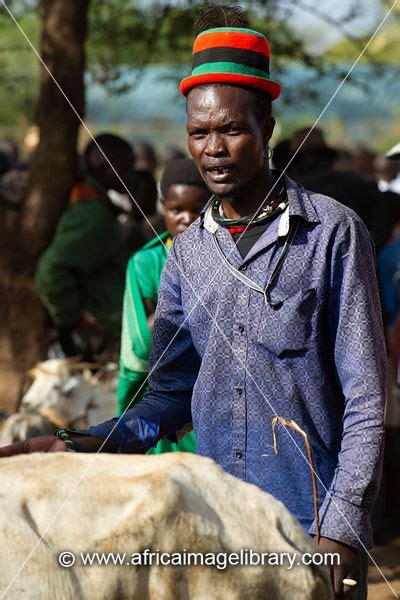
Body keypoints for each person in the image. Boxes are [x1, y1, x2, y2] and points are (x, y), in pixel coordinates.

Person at [1, 5, 386, 598]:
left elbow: (366, 398)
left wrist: (341, 531)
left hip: (310, 531)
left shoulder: (332, 234)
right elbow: (168, 393)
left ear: (267, 127)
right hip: (216, 532)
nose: (213, 149)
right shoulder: (186, 255)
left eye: (231, 129)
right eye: (198, 133)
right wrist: (86, 441)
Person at [118, 158, 209, 455]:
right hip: (161, 388)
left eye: (198, 210)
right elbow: (143, 341)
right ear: (162, 207)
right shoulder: (146, 263)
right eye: (177, 210)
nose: (187, 219)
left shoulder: (228, 259)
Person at [35, 133, 132, 359]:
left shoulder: (97, 206)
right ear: (102, 167)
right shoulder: (93, 214)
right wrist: (77, 320)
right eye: (125, 168)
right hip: (101, 330)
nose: (130, 176)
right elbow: (51, 270)